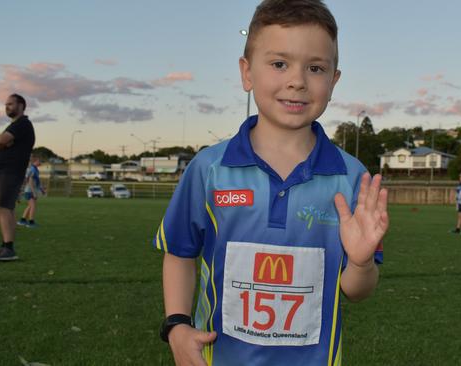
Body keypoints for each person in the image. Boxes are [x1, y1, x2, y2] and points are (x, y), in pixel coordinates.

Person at [154, 1, 388, 364]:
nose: (297, 80)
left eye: (315, 67)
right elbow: (180, 252)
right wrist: (177, 324)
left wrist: (360, 264)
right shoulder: (209, 168)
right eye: (279, 64)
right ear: (247, 73)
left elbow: (357, 292)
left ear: (333, 80)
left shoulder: (352, 177)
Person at [0, 94, 35, 261]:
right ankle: (5, 246)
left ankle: (9, 249)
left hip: (11, 172)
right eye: (6, 104)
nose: (7, 107)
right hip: (2, 172)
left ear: (21, 105)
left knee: (3, 208)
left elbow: (0, 141)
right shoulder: (12, 126)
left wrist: (0, 142)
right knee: (1, 208)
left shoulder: (22, 124)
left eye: (10, 104)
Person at [17, 156, 44, 228]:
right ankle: (31, 222)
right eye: (39, 161)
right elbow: (30, 181)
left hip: (30, 190)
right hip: (30, 191)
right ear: (35, 161)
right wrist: (34, 192)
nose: (40, 162)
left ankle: (22, 220)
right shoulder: (32, 169)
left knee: (30, 206)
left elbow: (36, 181)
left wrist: (41, 189)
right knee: (33, 206)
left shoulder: (35, 169)